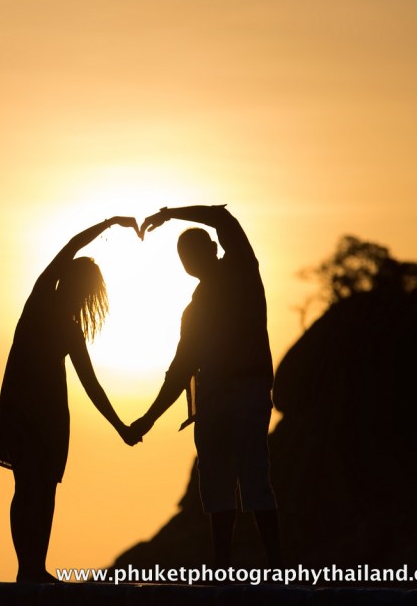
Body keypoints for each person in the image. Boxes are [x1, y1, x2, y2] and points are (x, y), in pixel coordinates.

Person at [129, 205, 281, 568]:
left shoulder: (241, 270)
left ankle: (276, 567)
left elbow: (222, 218)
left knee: (253, 477)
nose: (190, 261)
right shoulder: (193, 310)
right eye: (184, 257)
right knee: (216, 484)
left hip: (247, 390)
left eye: (194, 253)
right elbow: (180, 369)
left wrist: (168, 214)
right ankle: (222, 568)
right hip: (213, 398)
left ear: (213, 249)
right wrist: (148, 419)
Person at [0, 216, 141, 583]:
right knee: (28, 486)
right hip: (24, 408)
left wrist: (121, 427)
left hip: (51, 413)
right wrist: (111, 223)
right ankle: (27, 568)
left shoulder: (70, 329)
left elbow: (91, 385)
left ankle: (35, 566)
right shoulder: (42, 298)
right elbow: (72, 245)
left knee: (43, 489)